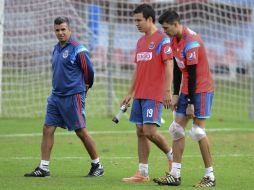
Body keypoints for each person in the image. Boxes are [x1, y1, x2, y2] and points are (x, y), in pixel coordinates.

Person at [24, 17, 104, 178]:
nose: (60, 33)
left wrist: (85, 89)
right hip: (56, 96)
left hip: (72, 96)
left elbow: (89, 72)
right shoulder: (55, 49)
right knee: (47, 128)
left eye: (63, 29)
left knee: (80, 131)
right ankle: (44, 168)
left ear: (70, 30)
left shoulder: (78, 49)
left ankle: (97, 165)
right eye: (57, 30)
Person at [153, 10, 216, 187]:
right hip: (187, 89)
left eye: (166, 28)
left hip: (201, 90)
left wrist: (190, 104)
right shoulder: (173, 40)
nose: (165, 32)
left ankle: (210, 176)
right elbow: (177, 68)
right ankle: (175, 175)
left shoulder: (192, 42)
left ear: (175, 24)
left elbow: (194, 74)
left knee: (197, 132)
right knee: (176, 130)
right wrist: (174, 94)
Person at [120, 4, 174, 183]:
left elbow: (169, 64)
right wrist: (130, 92)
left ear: (149, 19)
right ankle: (142, 173)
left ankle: (172, 157)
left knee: (149, 131)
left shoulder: (162, 39)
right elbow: (138, 69)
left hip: (154, 93)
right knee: (140, 131)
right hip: (140, 94)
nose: (136, 24)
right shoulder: (141, 41)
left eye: (139, 20)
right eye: (134, 20)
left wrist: (167, 90)